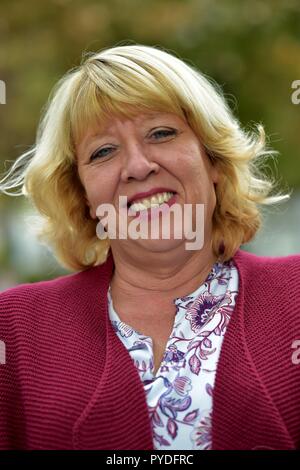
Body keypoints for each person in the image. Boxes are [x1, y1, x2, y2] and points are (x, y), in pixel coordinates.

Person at [0, 43, 300, 451]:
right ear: (82, 193)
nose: (139, 166)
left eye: (161, 133)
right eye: (103, 151)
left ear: (212, 158)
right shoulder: (14, 329)